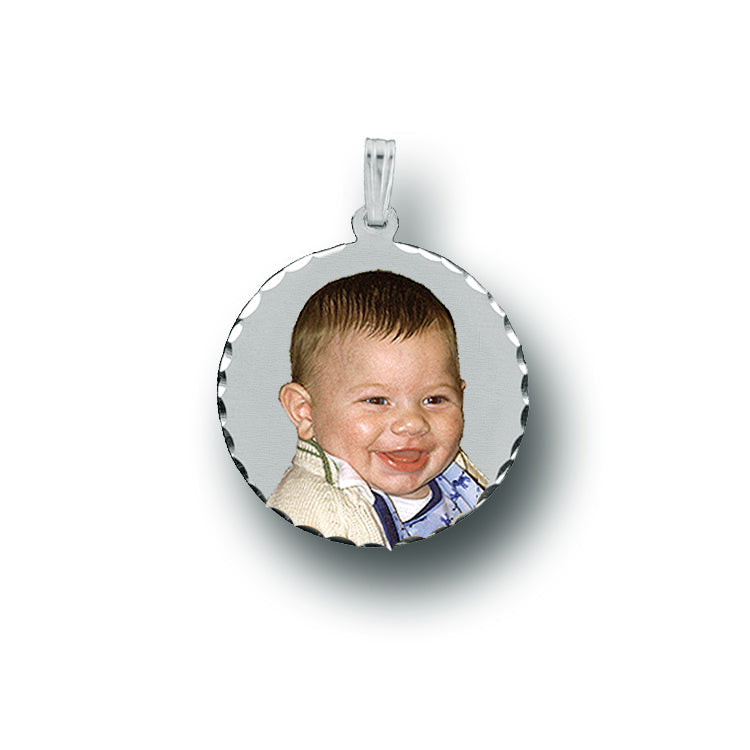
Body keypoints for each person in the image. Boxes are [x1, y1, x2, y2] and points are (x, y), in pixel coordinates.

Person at [268, 270, 487, 548]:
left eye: (435, 399)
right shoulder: (309, 515)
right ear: (305, 411)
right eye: (377, 401)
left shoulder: (458, 478)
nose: (413, 423)